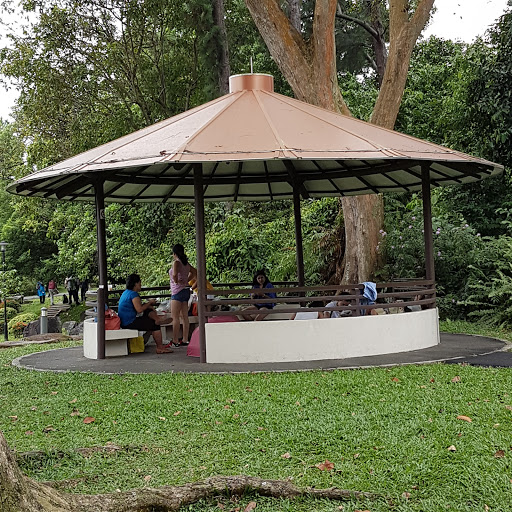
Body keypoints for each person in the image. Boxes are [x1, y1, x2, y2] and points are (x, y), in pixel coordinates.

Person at [118, 273, 171, 354]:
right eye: (140, 283)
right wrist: (150, 303)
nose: (141, 285)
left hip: (125, 320)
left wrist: (148, 306)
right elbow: (139, 309)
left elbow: (139, 308)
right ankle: (160, 348)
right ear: (135, 284)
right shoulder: (133, 294)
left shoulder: (126, 292)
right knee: (154, 325)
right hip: (129, 322)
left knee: (147, 310)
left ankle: (157, 319)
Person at [169, 244, 197, 347]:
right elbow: (195, 272)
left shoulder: (176, 262)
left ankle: (175, 340)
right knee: (185, 316)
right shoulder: (186, 264)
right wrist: (187, 280)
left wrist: (176, 281)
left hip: (177, 291)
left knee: (175, 317)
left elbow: (175, 274)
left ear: (174, 254)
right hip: (185, 290)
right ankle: (185, 339)